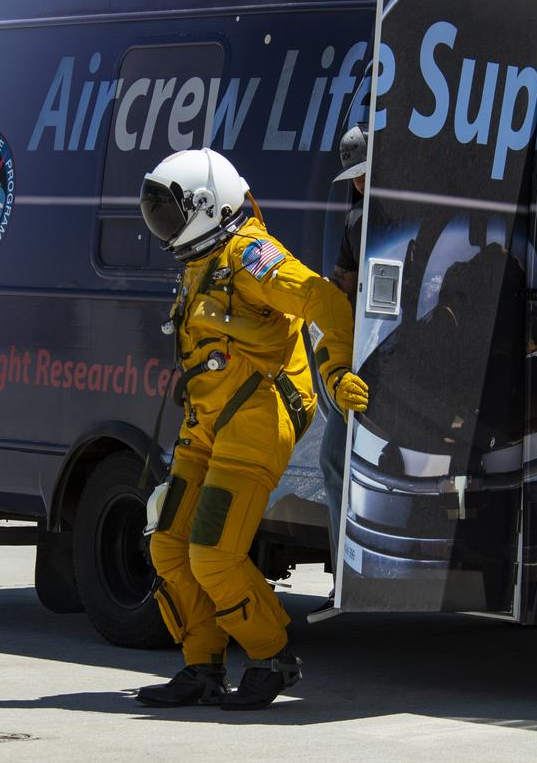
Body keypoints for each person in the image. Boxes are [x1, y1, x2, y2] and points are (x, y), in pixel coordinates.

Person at [135, 148, 368, 710]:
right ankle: (201, 667)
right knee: (169, 545)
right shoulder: (200, 260)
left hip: (256, 417)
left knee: (212, 553)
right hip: (206, 423)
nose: (163, 226)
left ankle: (272, 658)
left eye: (169, 213)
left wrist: (335, 371)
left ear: (206, 206)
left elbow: (325, 300)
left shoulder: (250, 255)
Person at [316, 124, 367, 606]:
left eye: (363, 174)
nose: (356, 184)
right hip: (377, 358)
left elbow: (340, 287)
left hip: (369, 363)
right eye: (352, 176)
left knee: (334, 459)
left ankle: (348, 579)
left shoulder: (359, 220)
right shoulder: (362, 216)